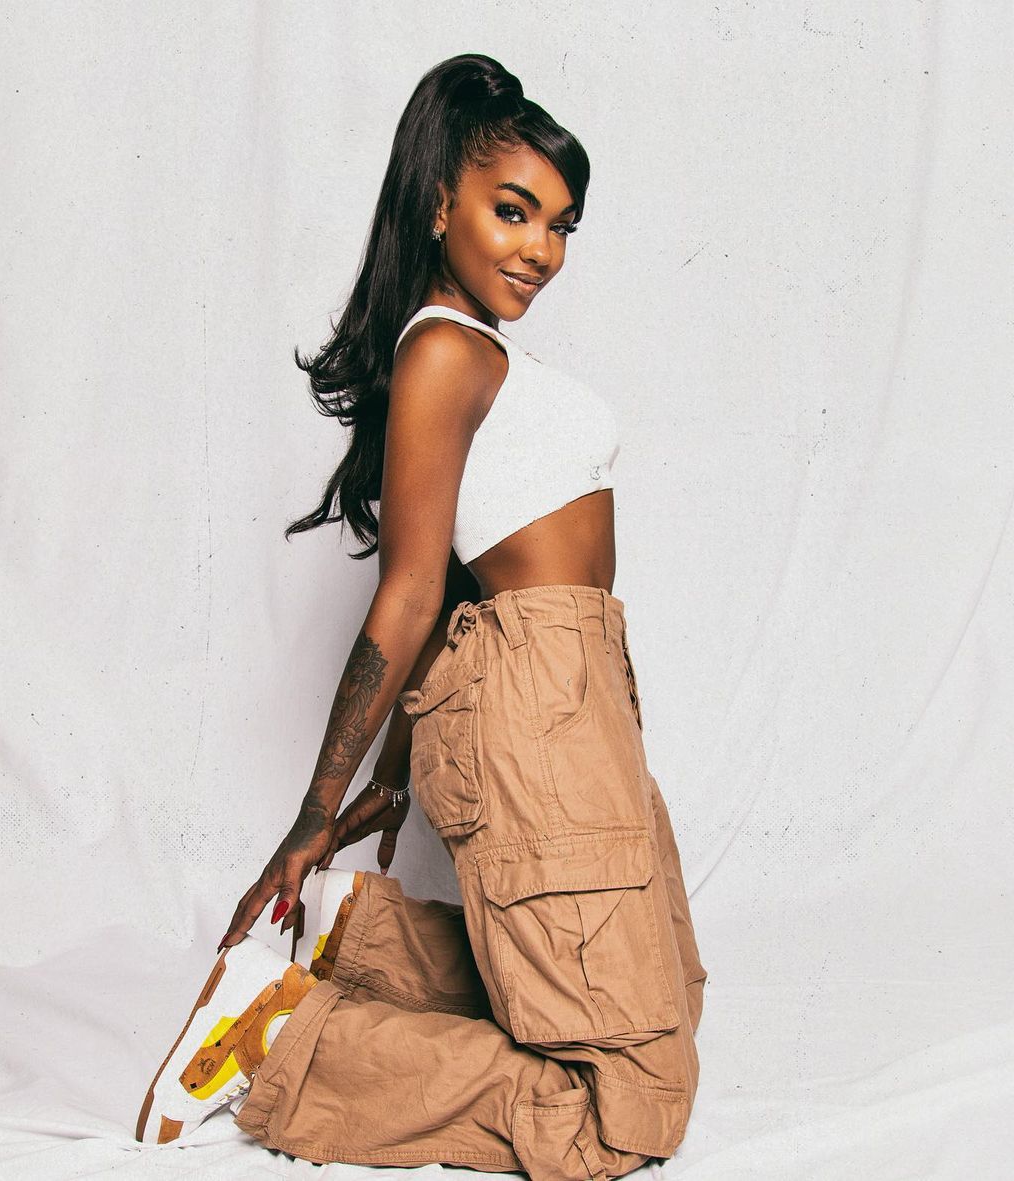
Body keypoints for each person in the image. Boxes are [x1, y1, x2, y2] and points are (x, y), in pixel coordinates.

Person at [135, 52, 708, 1179]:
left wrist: (397, 773)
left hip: (578, 699)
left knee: (667, 1000)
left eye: (561, 225)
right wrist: (316, 811)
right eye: (513, 211)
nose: (541, 250)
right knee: (628, 1108)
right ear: (441, 199)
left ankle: (358, 947)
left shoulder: (483, 348)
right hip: (540, 709)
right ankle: (283, 1045)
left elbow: (456, 598)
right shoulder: (444, 347)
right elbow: (410, 588)